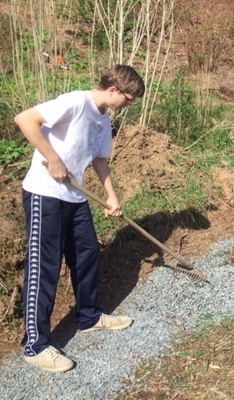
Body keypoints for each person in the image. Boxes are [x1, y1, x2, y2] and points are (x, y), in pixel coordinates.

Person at [13, 64, 145, 373]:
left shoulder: (103, 119)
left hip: (74, 196)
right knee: (44, 266)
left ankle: (88, 316)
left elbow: (99, 160)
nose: (129, 104)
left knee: (87, 255)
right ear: (112, 90)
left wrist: (111, 195)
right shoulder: (74, 102)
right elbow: (25, 119)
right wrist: (52, 158)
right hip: (45, 194)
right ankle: (35, 345)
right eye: (128, 99)